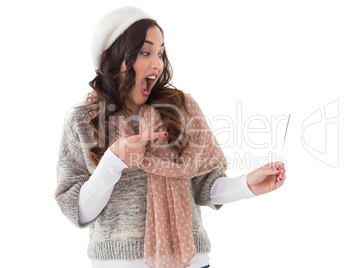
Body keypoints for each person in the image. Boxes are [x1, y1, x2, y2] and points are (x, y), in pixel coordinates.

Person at [54, 6, 287, 268]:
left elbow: (203, 187)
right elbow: (79, 211)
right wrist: (114, 161)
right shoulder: (84, 122)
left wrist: (247, 185)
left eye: (160, 53)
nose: (157, 63)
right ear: (113, 58)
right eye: (145, 52)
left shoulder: (181, 109)